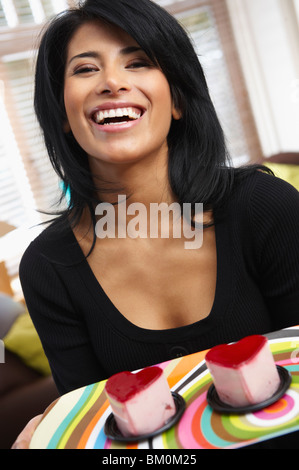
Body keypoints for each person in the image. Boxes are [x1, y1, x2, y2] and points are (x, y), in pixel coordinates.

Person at [13, 0, 299, 448]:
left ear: (178, 98)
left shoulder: (264, 207)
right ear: (63, 116)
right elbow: (104, 438)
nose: (111, 82)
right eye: (85, 69)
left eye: (139, 62)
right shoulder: (48, 267)